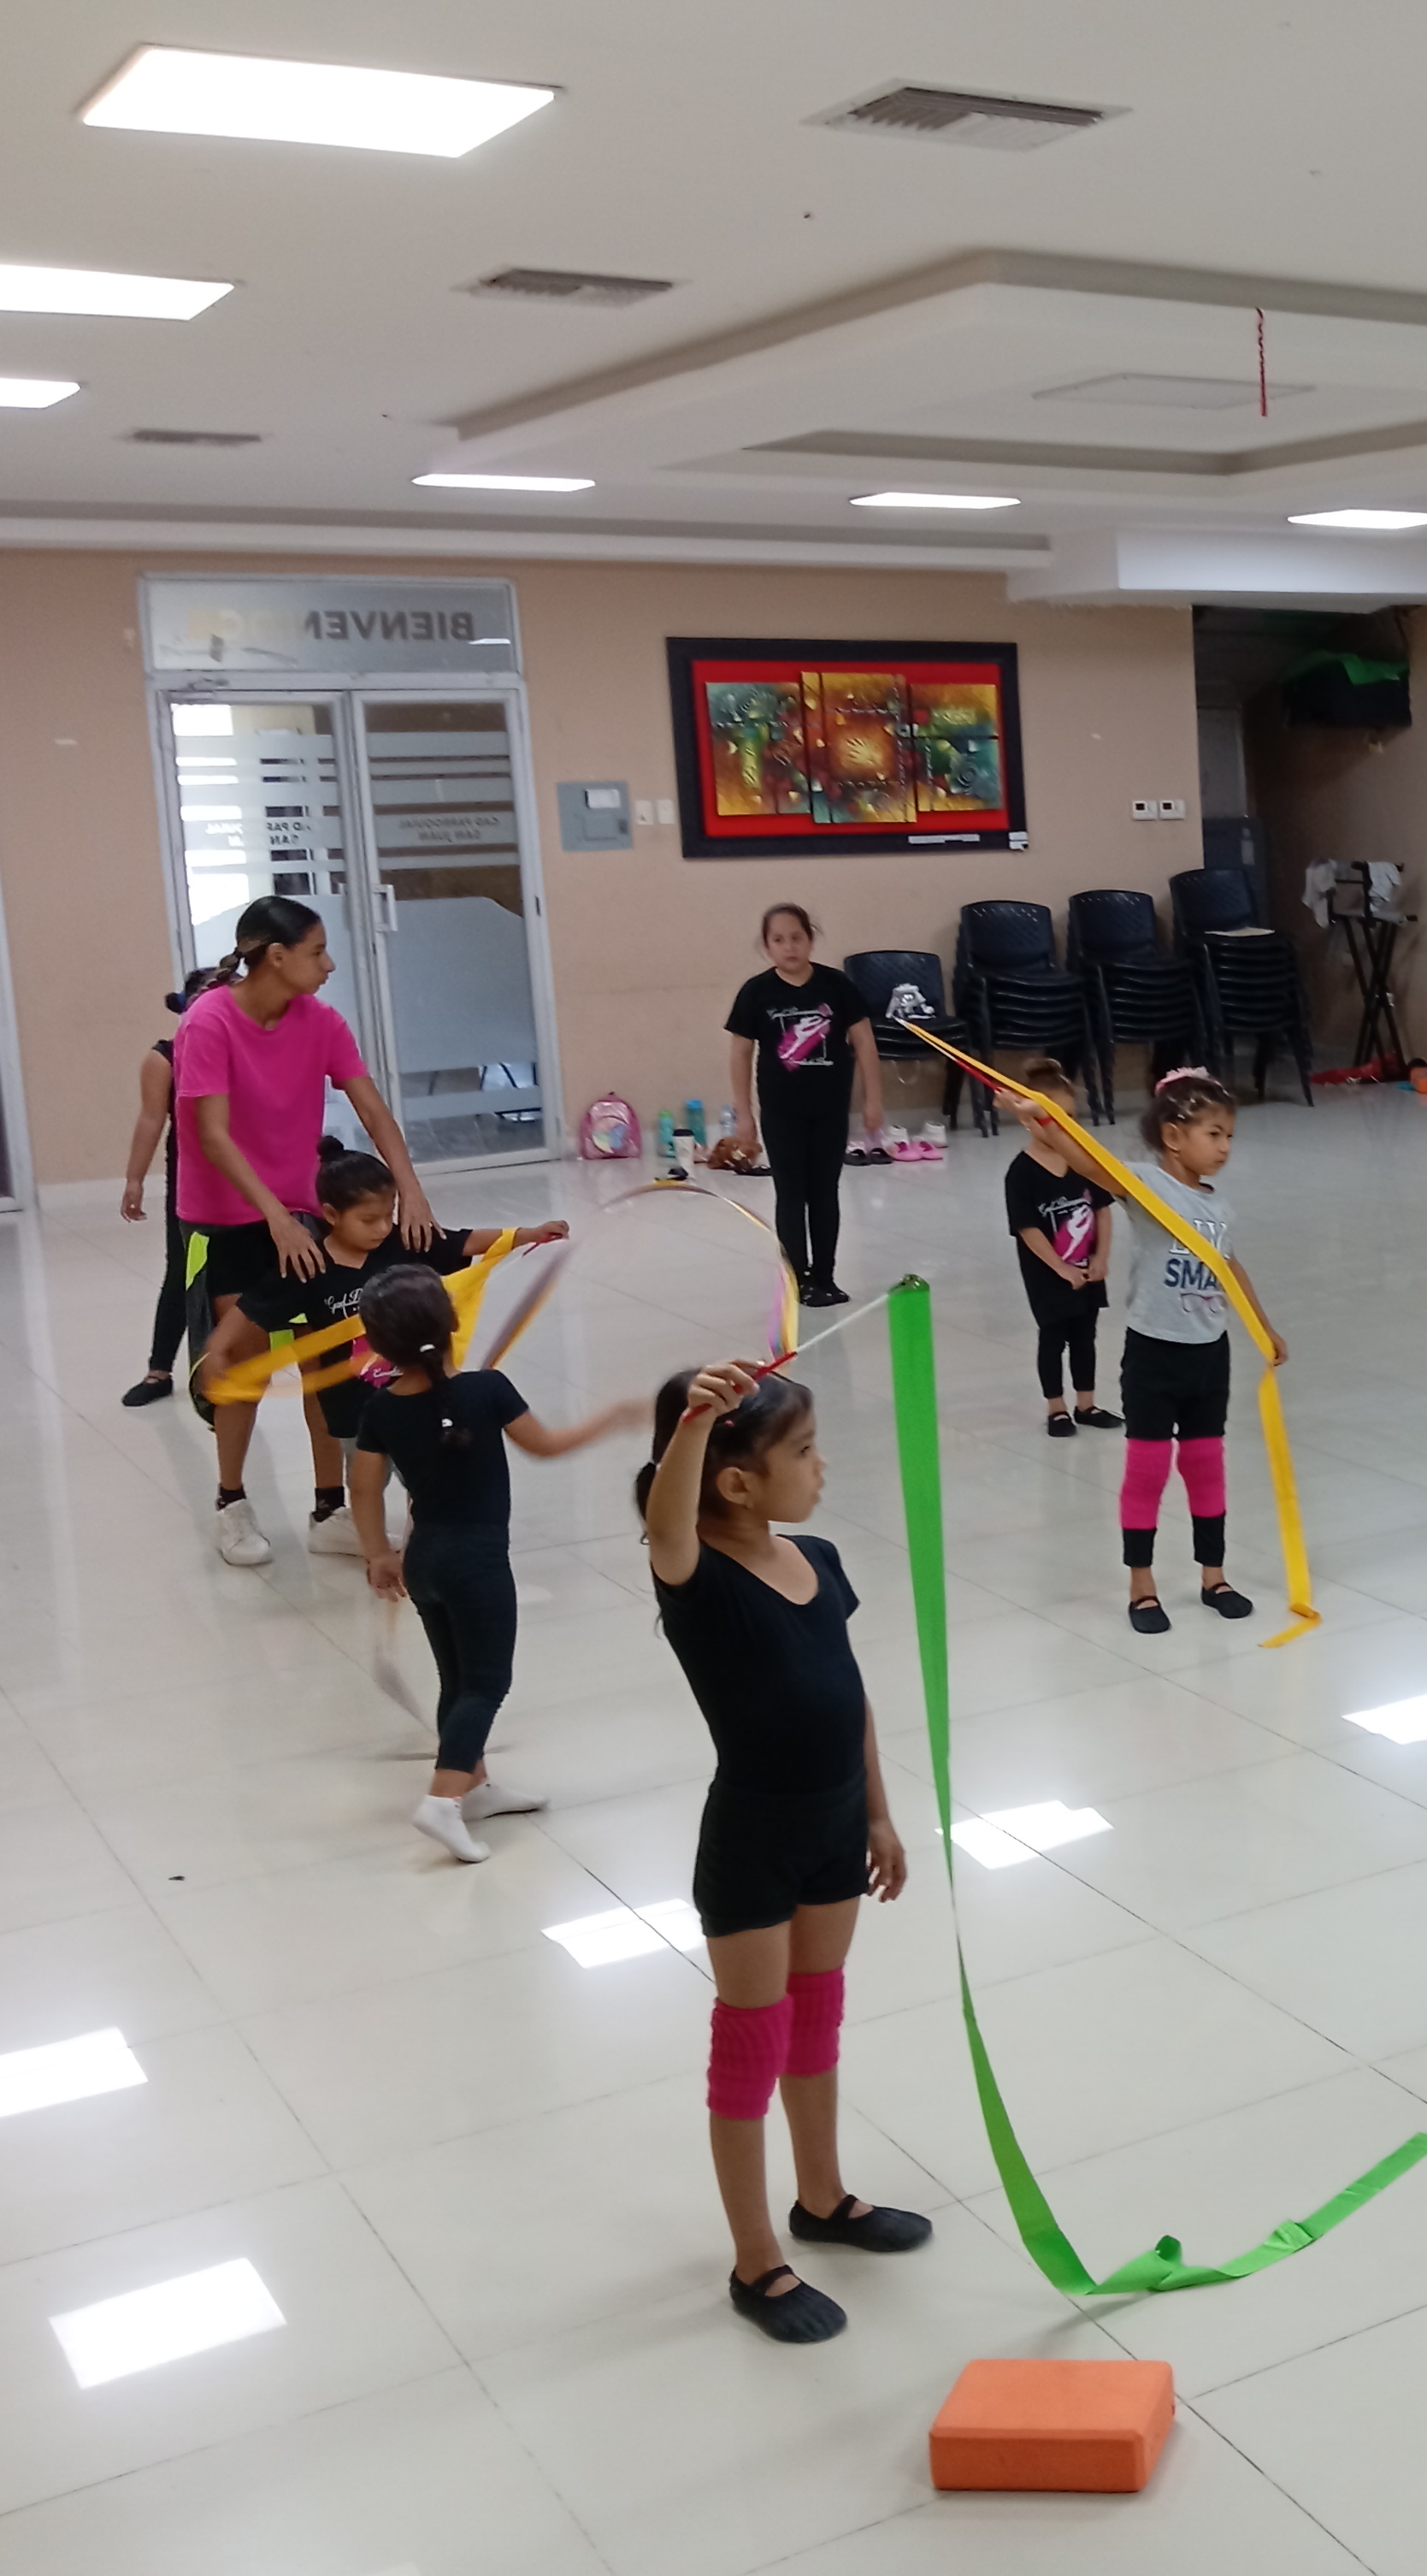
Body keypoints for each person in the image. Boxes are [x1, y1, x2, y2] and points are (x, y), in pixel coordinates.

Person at [639, 1359, 926, 2344]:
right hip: (753, 1844)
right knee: (750, 2047)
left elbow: (850, 1695)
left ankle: (824, 2196)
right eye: (802, 1451)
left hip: (837, 1827)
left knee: (815, 2021)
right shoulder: (697, 1576)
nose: (821, 1465)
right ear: (735, 1481)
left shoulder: (819, 1557)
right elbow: (666, 1525)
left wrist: (879, 1814)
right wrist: (693, 1423)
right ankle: (755, 2258)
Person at [176, 897, 437, 1567]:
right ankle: (231, 1503)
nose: (329, 965)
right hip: (226, 1218)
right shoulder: (208, 1021)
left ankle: (330, 1511)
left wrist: (410, 1189)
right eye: (318, 952)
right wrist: (272, 1216)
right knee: (243, 1367)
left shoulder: (321, 1022)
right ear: (276, 956)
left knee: (326, 1360)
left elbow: (371, 1108)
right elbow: (212, 1135)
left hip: (301, 1212)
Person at [347, 1267, 627, 1860]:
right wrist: (611, 1419)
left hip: (424, 1562)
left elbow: (364, 1488)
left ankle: (472, 1786)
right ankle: (442, 1801)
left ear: (376, 1342)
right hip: (476, 1564)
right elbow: (546, 1446)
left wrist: (377, 1554)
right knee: (487, 1682)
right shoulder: (488, 1390)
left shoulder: (380, 1410)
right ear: (453, 1323)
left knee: (457, 1679)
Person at [239, 1147, 566, 1556]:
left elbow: (463, 1242)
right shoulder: (311, 1265)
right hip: (352, 1410)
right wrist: (219, 1352)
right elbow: (253, 1309)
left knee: (424, 1477)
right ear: (332, 1214)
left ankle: (423, 1543)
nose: (382, 1227)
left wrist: (527, 1234)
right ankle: (365, 1542)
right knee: (366, 1484)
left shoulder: (402, 1241)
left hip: (416, 1394)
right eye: (368, 1219)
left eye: (388, 1215)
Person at [1116, 1070, 1282, 1634]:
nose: (1225, 1147)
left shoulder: (1220, 1208)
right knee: (1147, 1470)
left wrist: (1262, 1327)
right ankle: (1142, 1586)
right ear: (1173, 1135)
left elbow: (1229, 1267)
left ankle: (1215, 1577)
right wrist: (1041, 1118)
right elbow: (1087, 1162)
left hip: (1208, 1353)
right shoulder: (1144, 1184)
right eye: (1214, 1134)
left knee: (1205, 1465)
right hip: (1153, 1353)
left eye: (1229, 1136)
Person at [723, 904, 883, 1309]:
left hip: (829, 1109)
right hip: (782, 1112)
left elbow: (865, 1043)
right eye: (778, 940)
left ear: (810, 940)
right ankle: (797, 1277)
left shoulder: (837, 986)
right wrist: (744, 1114)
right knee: (791, 1193)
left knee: (825, 1192)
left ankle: (825, 1277)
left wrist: (873, 1100)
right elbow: (740, 1054)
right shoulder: (756, 992)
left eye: (796, 938)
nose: (789, 947)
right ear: (767, 946)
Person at [120, 973, 228, 1407]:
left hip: (249, 1174)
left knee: (243, 1269)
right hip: (192, 1176)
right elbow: (151, 1120)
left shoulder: (245, 1048)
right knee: (183, 1268)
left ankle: (231, 1361)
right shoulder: (165, 1057)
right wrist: (134, 1178)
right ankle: (159, 1370)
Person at [1001, 1056, 1120, 1438]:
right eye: (1050, 1116)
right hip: (1048, 1275)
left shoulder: (1084, 1162)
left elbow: (1102, 1210)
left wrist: (1101, 1257)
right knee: (1053, 1339)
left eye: (1069, 1116)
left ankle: (1086, 1404)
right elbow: (1027, 1229)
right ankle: (1057, 1409)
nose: (1061, 1125)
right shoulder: (1021, 1173)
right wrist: (1060, 1267)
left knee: (1086, 1338)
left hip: (1088, 1270)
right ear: (1026, 1119)